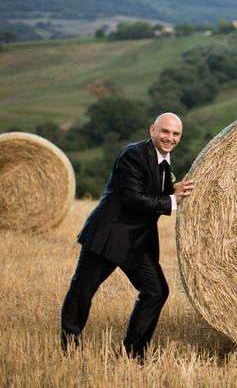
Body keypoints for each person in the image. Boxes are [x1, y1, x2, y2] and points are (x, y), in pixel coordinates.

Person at [60, 112, 194, 361]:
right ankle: (69, 348)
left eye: (175, 134)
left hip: (136, 241)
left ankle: (134, 352)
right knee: (83, 290)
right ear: (152, 130)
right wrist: (171, 200)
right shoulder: (133, 155)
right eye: (165, 131)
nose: (170, 137)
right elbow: (133, 199)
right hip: (109, 235)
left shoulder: (164, 160)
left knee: (156, 291)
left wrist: (172, 191)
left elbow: (152, 188)